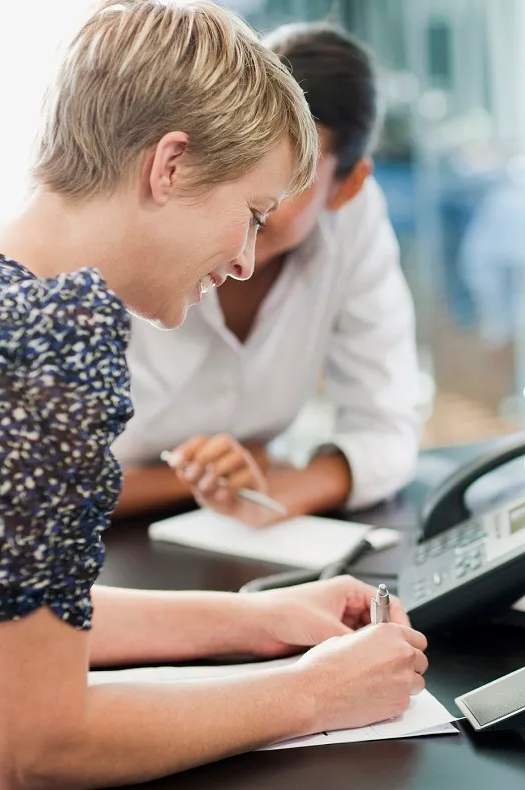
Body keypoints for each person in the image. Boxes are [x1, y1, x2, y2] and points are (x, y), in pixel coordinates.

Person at [0, 3, 426, 790]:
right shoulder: (46, 332)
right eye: (251, 213)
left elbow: (11, 604)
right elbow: (34, 746)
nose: (243, 260)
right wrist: (316, 693)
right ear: (170, 166)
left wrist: (260, 620)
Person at [112, 21, 421, 527]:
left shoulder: (354, 223)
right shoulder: (146, 216)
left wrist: (282, 491)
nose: (258, 191)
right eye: (244, 157)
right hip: (105, 534)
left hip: (236, 531)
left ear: (347, 187)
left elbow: (388, 427)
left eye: (296, 174)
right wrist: (233, 470)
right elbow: (41, 484)